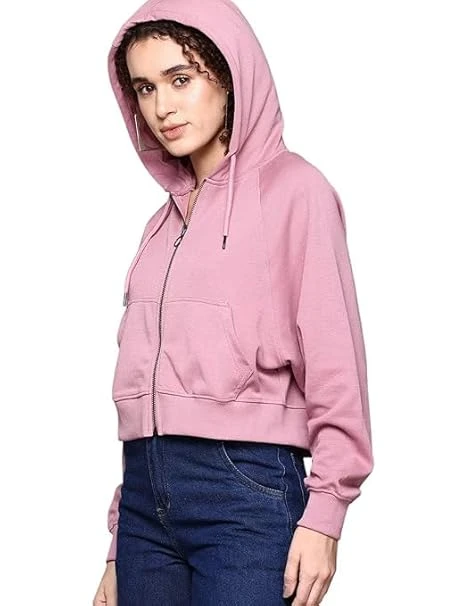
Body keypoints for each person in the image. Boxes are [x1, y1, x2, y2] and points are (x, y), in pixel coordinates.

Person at [93, 0, 374, 604]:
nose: (162, 107)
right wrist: (120, 542)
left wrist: (326, 513)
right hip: (144, 500)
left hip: (245, 492)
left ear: (229, 77)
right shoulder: (160, 226)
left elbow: (336, 362)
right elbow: (147, 392)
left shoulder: (296, 191)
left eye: (181, 79)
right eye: (145, 87)